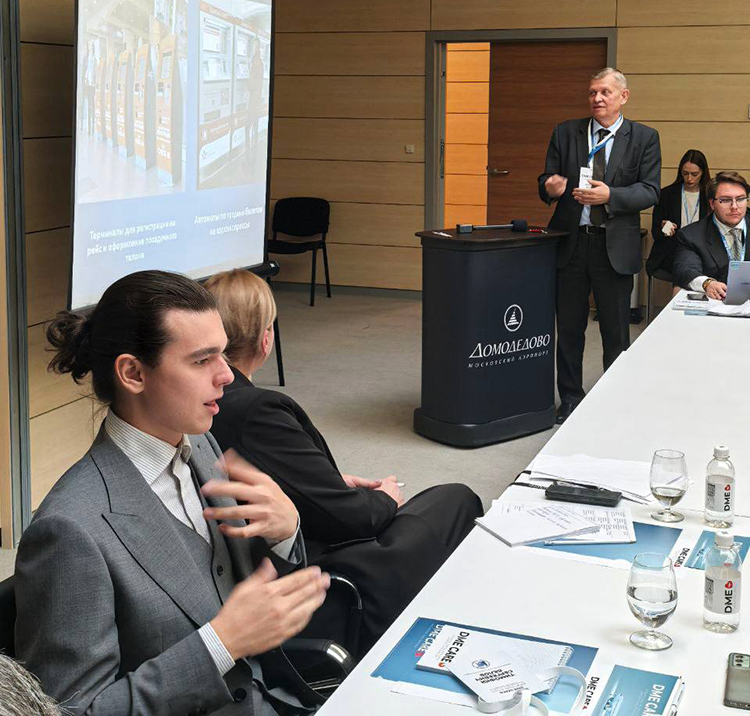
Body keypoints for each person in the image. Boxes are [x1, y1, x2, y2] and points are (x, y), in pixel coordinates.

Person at [14, 270, 330, 716]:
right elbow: (73, 712)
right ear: (133, 373)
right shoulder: (69, 531)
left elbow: (240, 592)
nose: (226, 375)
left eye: (223, 353)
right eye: (202, 360)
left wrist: (284, 532)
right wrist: (221, 643)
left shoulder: (200, 444)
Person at [205, 268, 482, 656]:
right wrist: (384, 498)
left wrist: (330, 480)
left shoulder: (202, 408)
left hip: (274, 553)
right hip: (322, 572)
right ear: (265, 339)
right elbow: (351, 518)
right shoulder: (256, 409)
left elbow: (275, 481)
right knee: (456, 499)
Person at [538, 68, 661, 424]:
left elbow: (650, 190)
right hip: (572, 244)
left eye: (605, 92)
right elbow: (546, 179)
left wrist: (611, 196)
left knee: (615, 331)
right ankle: (570, 399)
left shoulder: (644, 137)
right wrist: (550, 186)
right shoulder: (566, 132)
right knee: (569, 329)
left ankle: (613, 399)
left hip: (614, 246)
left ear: (624, 96)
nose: (597, 98)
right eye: (593, 92)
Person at [673, 171, 750, 299]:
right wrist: (707, 283)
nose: (734, 206)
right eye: (725, 200)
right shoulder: (691, 235)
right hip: (716, 299)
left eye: (741, 199)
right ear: (712, 203)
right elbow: (685, 269)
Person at [646, 149, 710, 281]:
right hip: (673, 250)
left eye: (694, 174)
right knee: (684, 270)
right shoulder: (666, 195)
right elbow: (656, 233)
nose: (689, 179)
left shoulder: (710, 197)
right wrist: (664, 229)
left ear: (703, 173)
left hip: (703, 251)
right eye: (685, 173)